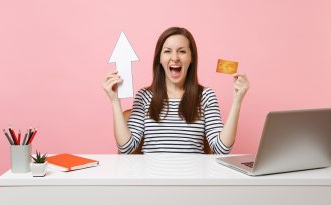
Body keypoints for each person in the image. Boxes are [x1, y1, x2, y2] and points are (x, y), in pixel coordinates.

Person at [103, 27, 249, 154]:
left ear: (191, 58)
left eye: (182, 51)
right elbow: (126, 147)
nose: (174, 58)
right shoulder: (145, 96)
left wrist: (237, 101)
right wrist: (115, 101)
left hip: (192, 182)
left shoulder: (206, 96)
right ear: (159, 59)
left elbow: (221, 149)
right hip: (153, 180)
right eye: (167, 51)